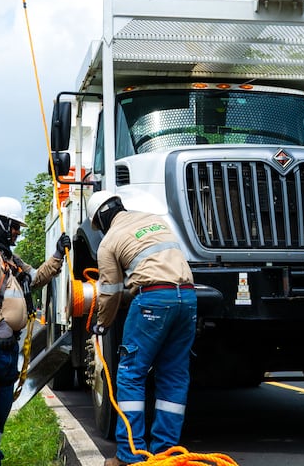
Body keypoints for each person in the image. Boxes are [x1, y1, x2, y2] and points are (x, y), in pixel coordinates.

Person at [0, 195, 71, 466]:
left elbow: (36, 279)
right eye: (14, 226)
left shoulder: (9, 260)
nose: (17, 232)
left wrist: (57, 257)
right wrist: (0, 327)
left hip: (4, 349)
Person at [88, 189, 196, 466]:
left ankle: (130, 456)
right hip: (187, 297)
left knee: (131, 375)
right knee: (173, 376)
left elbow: (110, 291)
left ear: (101, 217)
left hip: (152, 300)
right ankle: (166, 454)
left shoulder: (109, 241)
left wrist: (102, 325)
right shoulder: (154, 220)